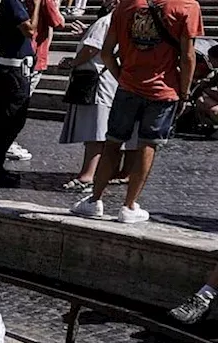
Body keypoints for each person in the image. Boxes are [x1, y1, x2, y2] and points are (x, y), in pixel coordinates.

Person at [70, 0, 202, 223]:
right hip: (164, 89)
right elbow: (188, 56)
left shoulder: (125, 5)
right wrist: (185, 92)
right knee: (148, 145)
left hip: (128, 86)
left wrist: (121, 77)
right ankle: (129, 206)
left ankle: (94, 200)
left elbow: (106, 52)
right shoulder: (187, 6)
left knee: (112, 142)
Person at [57, 0, 133, 190]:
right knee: (103, 130)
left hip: (97, 82)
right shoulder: (123, 21)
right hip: (110, 81)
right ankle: (109, 170)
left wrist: (72, 62)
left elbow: (93, 49)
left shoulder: (106, 21)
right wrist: (87, 34)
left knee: (95, 132)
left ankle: (87, 176)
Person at [9, 0, 84, 160]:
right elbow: (59, 22)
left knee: (14, 100)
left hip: (19, 53)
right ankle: (9, 142)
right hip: (35, 55)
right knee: (20, 103)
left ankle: (6, 141)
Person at [0, 0, 37, 188]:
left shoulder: (8, 3)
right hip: (14, 70)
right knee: (10, 120)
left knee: (9, 120)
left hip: (11, 68)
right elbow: (30, 30)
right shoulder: (14, 2)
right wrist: (36, 7)